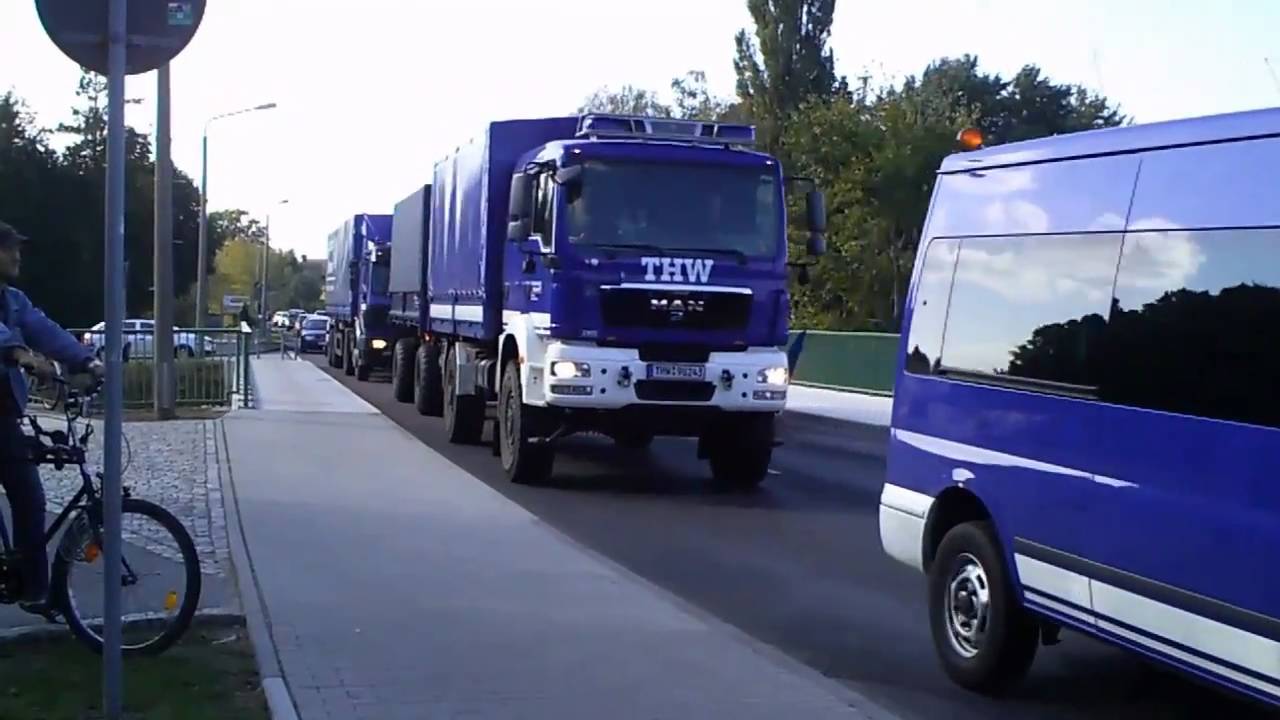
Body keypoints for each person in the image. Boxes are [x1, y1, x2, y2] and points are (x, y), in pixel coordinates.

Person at [0, 220, 103, 615]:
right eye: (10, 248)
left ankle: (35, 589)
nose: (17, 255)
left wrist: (87, 361)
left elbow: (45, 330)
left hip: (4, 415)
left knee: (29, 492)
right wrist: (18, 353)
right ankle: (36, 591)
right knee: (28, 495)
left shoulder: (13, 300)